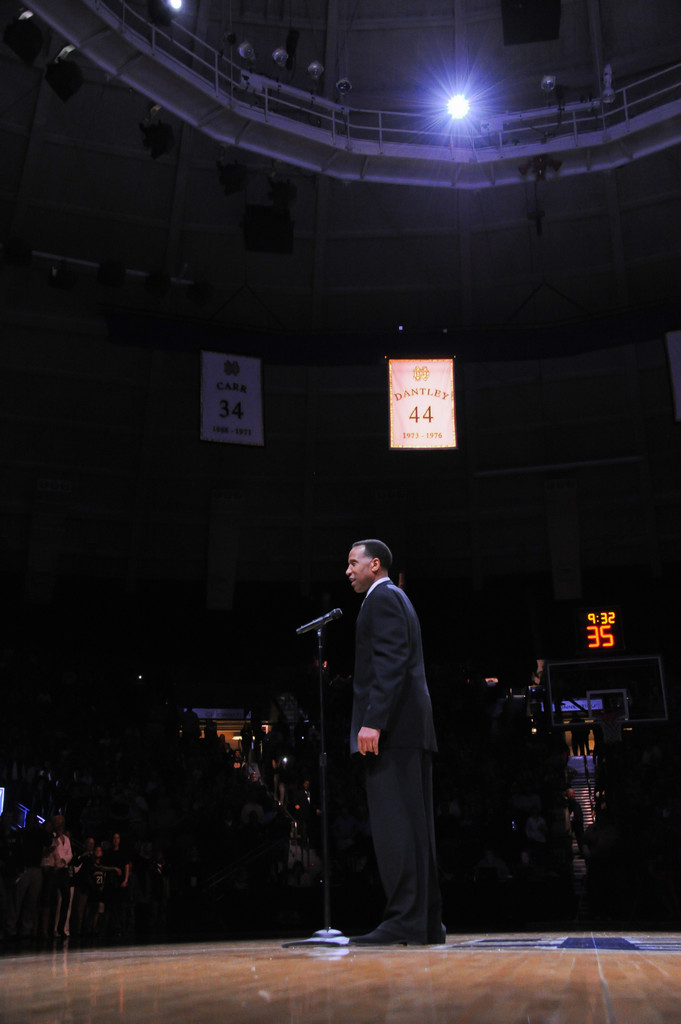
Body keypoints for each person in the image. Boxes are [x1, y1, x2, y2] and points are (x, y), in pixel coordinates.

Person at [345, 538, 444, 945]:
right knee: (417, 831)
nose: (348, 570)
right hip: (410, 731)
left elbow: (390, 661)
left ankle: (404, 920)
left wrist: (373, 722)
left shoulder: (381, 599)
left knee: (397, 829)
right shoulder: (398, 598)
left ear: (375, 565)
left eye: (353, 563)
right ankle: (425, 923)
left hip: (394, 731)